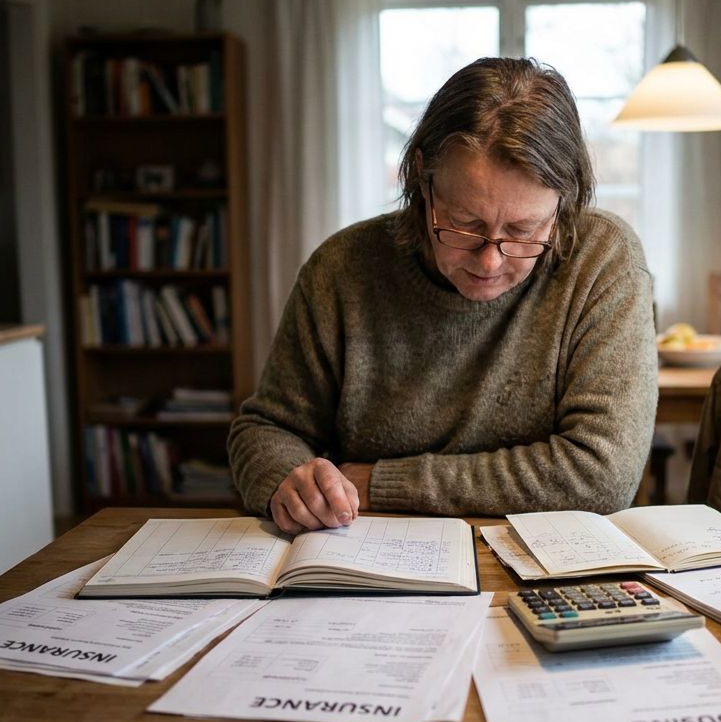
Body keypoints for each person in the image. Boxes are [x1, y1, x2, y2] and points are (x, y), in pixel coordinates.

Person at [229, 57, 658, 534]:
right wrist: (290, 481)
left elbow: (602, 473)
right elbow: (267, 429)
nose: (489, 262)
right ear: (421, 178)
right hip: (365, 551)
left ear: (564, 201)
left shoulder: (602, 260)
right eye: (465, 224)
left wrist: (383, 483)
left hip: (546, 556)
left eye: (523, 230)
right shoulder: (341, 269)